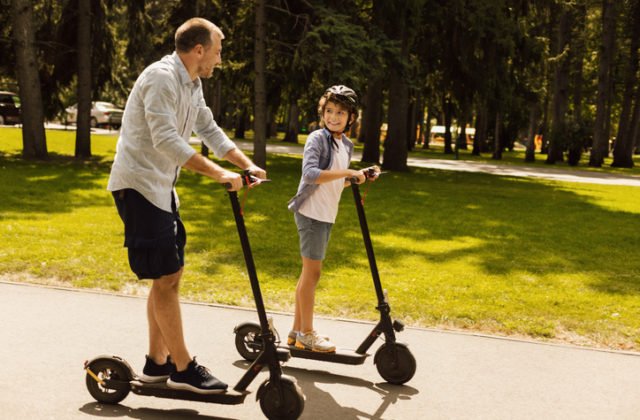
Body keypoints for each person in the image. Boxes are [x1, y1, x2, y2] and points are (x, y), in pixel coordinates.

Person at [107, 17, 266, 394]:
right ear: (199, 50)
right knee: (166, 279)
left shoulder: (191, 83)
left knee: (169, 277)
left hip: (161, 189)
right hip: (140, 186)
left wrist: (245, 165)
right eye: (218, 51)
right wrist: (218, 175)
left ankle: (155, 364)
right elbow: (166, 141)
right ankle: (183, 368)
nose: (220, 59)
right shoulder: (161, 78)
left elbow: (208, 128)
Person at [287, 85, 379, 352]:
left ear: (351, 117)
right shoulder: (317, 139)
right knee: (312, 274)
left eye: (340, 112)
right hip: (311, 213)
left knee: (307, 274)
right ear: (322, 112)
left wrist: (357, 175)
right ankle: (307, 333)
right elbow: (311, 175)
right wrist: (347, 172)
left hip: (326, 215)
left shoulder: (345, 144)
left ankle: (295, 331)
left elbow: (335, 183)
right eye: (329, 111)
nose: (333, 117)